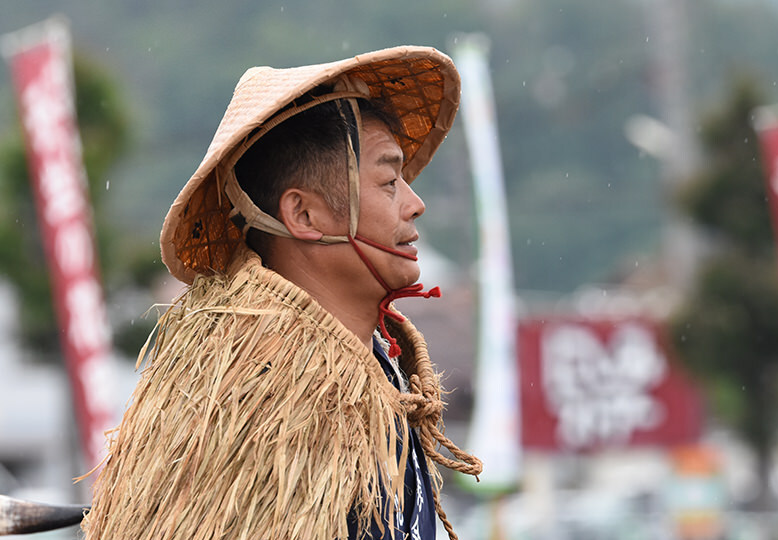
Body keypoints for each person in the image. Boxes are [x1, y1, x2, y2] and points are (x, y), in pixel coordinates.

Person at [80, 46, 482, 540]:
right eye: (388, 181)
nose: (415, 204)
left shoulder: (374, 369)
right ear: (304, 216)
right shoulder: (252, 392)